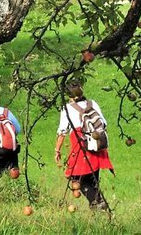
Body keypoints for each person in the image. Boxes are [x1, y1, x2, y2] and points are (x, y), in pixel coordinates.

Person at [55, 80, 113, 210]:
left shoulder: (67, 108)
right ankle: (99, 211)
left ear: (68, 95)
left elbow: (62, 131)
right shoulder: (93, 103)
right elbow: (104, 124)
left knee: (78, 179)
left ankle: (99, 205)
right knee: (93, 179)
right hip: (96, 145)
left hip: (80, 146)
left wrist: (57, 150)